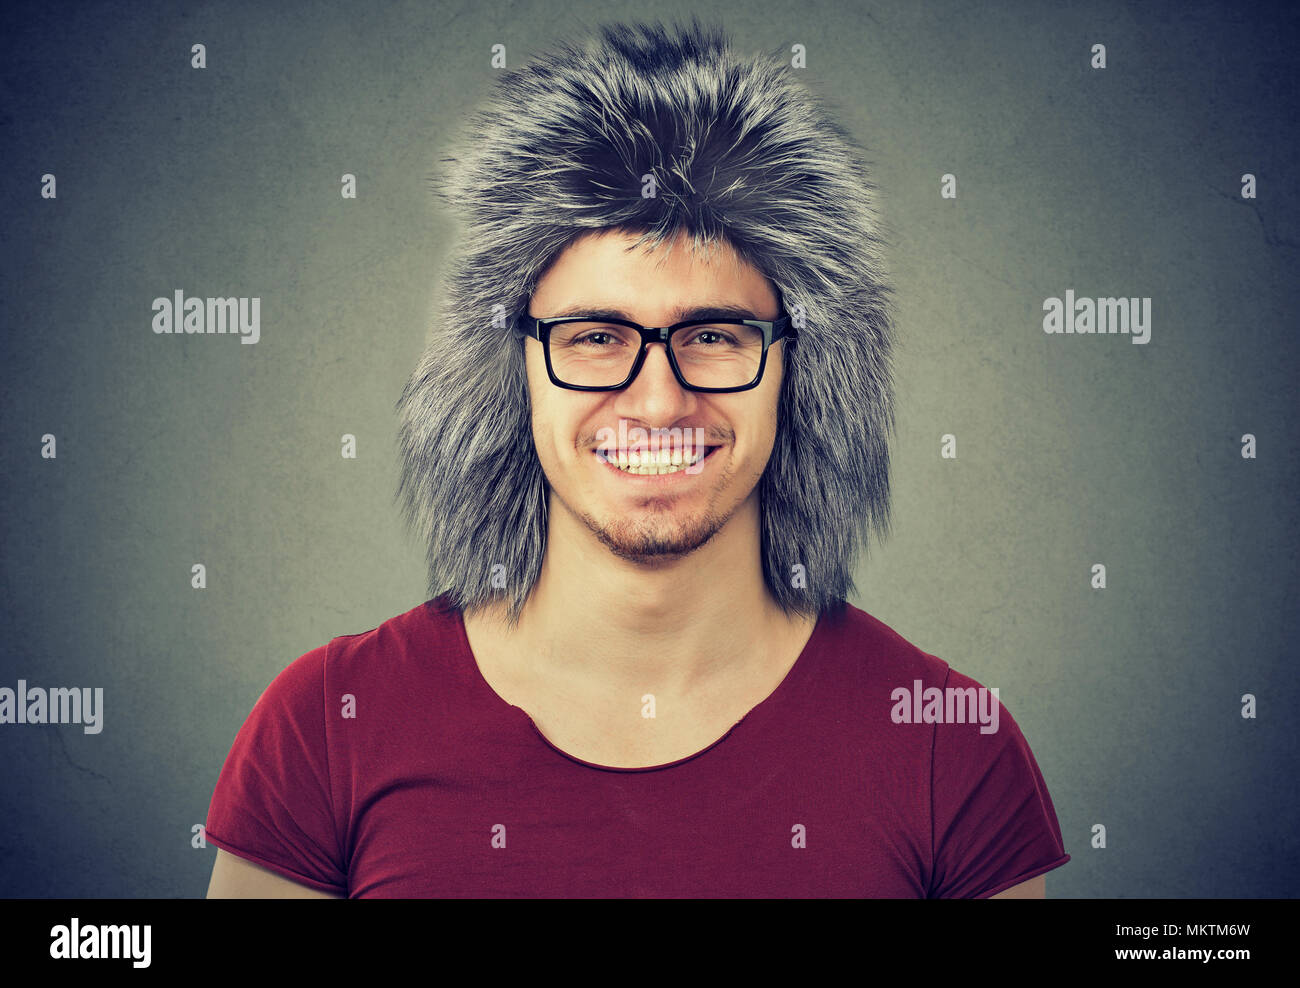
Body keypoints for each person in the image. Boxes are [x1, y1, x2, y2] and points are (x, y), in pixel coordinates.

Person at [206, 18, 1069, 898]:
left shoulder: (948, 748)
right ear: (513, 366)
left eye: (716, 335)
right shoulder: (323, 730)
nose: (658, 400)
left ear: (797, 369)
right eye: (593, 336)